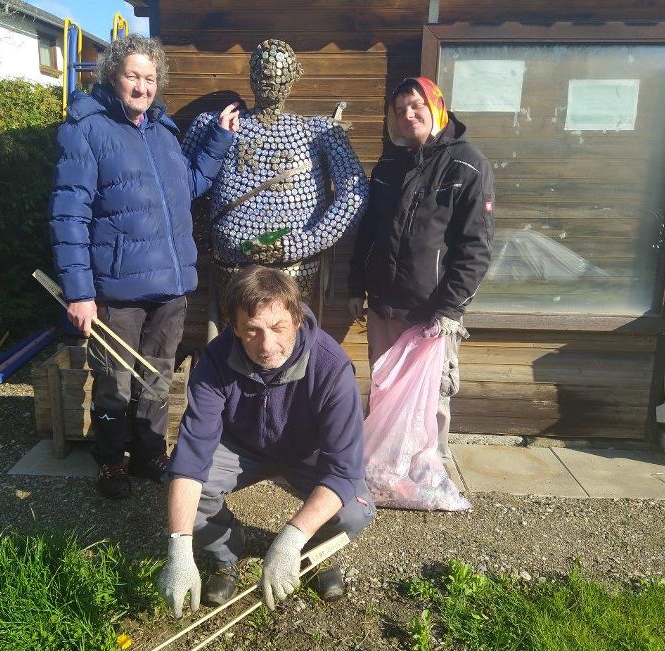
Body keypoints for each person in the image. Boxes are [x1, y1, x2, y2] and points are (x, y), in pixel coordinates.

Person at [48, 35, 240, 500]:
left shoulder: (162, 130)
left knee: (155, 376)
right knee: (114, 382)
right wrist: (79, 291)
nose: (142, 87)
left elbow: (187, 187)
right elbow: (68, 213)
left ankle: (150, 452)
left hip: (169, 286)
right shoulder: (87, 129)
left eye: (150, 78)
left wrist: (217, 141)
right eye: (133, 75)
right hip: (115, 290)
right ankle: (112, 460)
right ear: (113, 76)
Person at [157, 266, 375, 617]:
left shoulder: (332, 368)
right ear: (234, 327)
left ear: (297, 319)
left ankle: (311, 552)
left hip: (308, 452)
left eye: (277, 328)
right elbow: (191, 456)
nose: (267, 345)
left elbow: (343, 471)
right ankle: (226, 553)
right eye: (252, 331)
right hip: (243, 447)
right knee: (186, 489)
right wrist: (179, 549)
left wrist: (290, 537)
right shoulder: (215, 361)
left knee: (354, 512)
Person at [347, 76, 494, 459]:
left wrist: (450, 309)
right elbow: (369, 233)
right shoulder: (389, 165)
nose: (409, 115)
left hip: (431, 313)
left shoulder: (467, 165)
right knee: (385, 389)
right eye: (400, 111)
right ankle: (382, 466)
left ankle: (427, 468)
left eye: (416, 106)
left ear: (436, 106)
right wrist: (354, 287)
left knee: (431, 398)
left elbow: (475, 247)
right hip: (383, 306)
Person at [181, 39, 368, 303]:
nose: (268, 74)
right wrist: (202, 234)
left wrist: (304, 243)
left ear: (294, 76)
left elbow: (354, 194)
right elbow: (176, 186)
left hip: (296, 266)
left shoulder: (320, 131)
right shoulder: (215, 124)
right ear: (251, 74)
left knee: (290, 335)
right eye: (261, 68)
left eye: (277, 69)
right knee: (237, 336)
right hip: (230, 264)